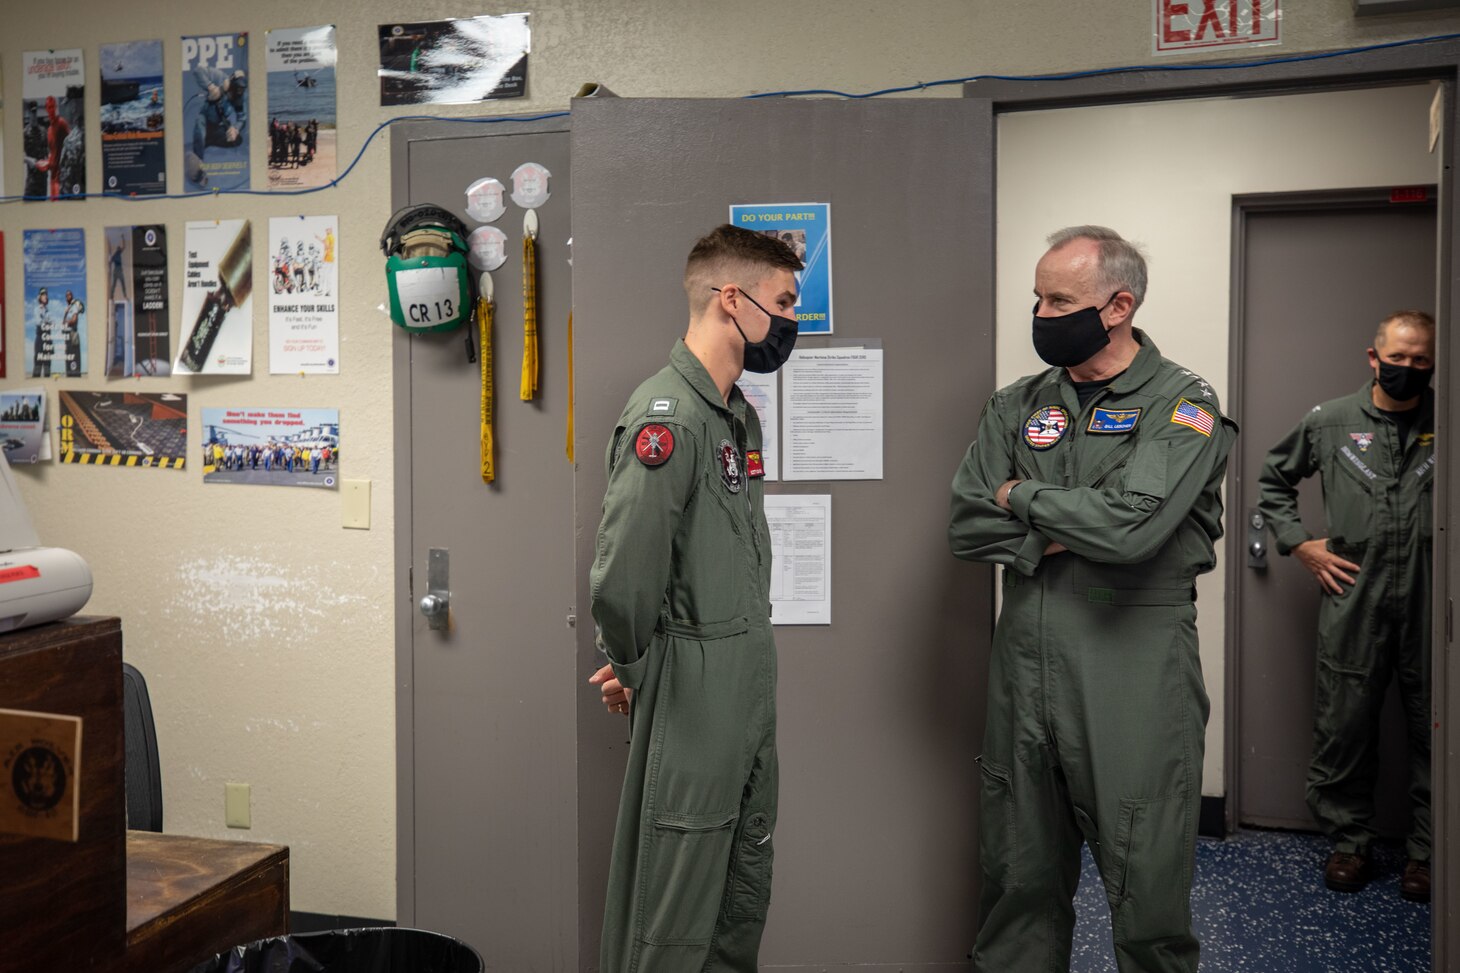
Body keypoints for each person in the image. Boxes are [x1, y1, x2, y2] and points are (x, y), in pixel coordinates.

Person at [948, 226, 1237, 973]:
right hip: (1025, 668)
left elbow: (1134, 527)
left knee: (1147, 896)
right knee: (1017, 881)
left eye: (1058, 299)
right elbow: (966, 521)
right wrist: (1061, 521)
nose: (1041, 314)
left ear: (1119, 305)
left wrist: (1021, 494)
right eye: (1038, 297)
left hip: (1131, 668)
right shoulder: (1019, 404)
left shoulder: (1184, 403)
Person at [587, 224, 801, 973]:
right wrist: (637, 667)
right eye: (783, 302)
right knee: (671, 912)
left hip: (745, 686)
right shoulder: (667, 416)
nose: (790, 322)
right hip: (694, 694)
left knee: (739, 891)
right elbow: (623, 579)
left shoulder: (733, 416)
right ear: (730, 298)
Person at [1256, 310, 1435, 902]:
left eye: (1420, 360)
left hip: (1435, 603)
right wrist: (1300, 544)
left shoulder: (1451, 420)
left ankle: (1430, 853)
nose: (1407, 368)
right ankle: (1350, 843)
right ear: (1373, 356)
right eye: (1398, 356)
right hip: (1354, 595)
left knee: (1438, 729)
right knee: (1345, 726)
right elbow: (1273, 483)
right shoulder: (1330, 421)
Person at [31, 288, 53, 378]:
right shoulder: (36, 309)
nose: (45, 296)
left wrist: (46, 322)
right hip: (40, 338)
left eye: (46, 294)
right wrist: (46, 322)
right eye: (43, 294)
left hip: (48, 339)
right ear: (40, 297)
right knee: (38, 363)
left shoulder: (49, 311)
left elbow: (52, 323)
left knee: (48, 364)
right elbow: (38, 322)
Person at [62, 289, 84, 377]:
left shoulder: (74, 306)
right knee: (69, 359)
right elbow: (63, 323)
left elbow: (74, 319)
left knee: (74, 360)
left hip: (72, 335)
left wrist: (67, 322)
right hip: (67, 337)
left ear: (72, 297)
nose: (68, 296)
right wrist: (66, 315)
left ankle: (75, 377)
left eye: (69, 295)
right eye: (66, 295)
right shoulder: (67, 309)